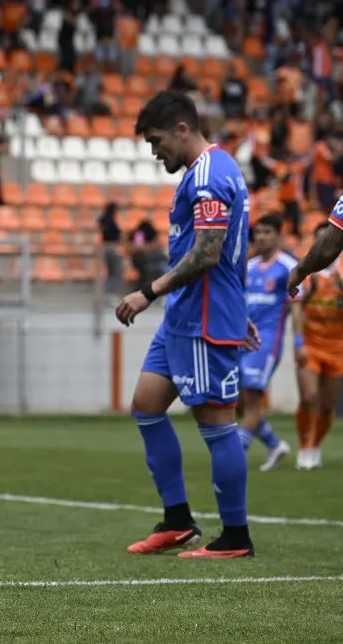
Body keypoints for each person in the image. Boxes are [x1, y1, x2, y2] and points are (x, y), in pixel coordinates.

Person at [116, 90, 257, 559]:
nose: (155, 152)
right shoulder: (205, 172)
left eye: (157, 141)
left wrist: (148, 290)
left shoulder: (210, 177)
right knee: (146, 405)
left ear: (182, 129)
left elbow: (209, 252)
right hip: (186, 314)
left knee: (216, 422)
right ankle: (177, 521)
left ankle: (235, 536)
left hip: (202, 317)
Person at [238, 214, 294, 471]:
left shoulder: (288, 266)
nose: (261, 237)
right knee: (237, 403)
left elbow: (299, 303)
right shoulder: (248, 267)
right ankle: (274, 444)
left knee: (251, 399)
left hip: (266, 342)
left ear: (279, 235)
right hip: (240, 341)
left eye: (267, 232)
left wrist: (301, 340)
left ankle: (236, 456)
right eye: (258, 232)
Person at [288, 221, 343, 471]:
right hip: (309, 344)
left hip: (337, 347)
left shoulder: (341, 275)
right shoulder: (307, 274)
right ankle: (304, 444)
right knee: (309, 397)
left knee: (329, 403)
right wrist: (298, 342)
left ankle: (316, 444)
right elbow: (297, 307)